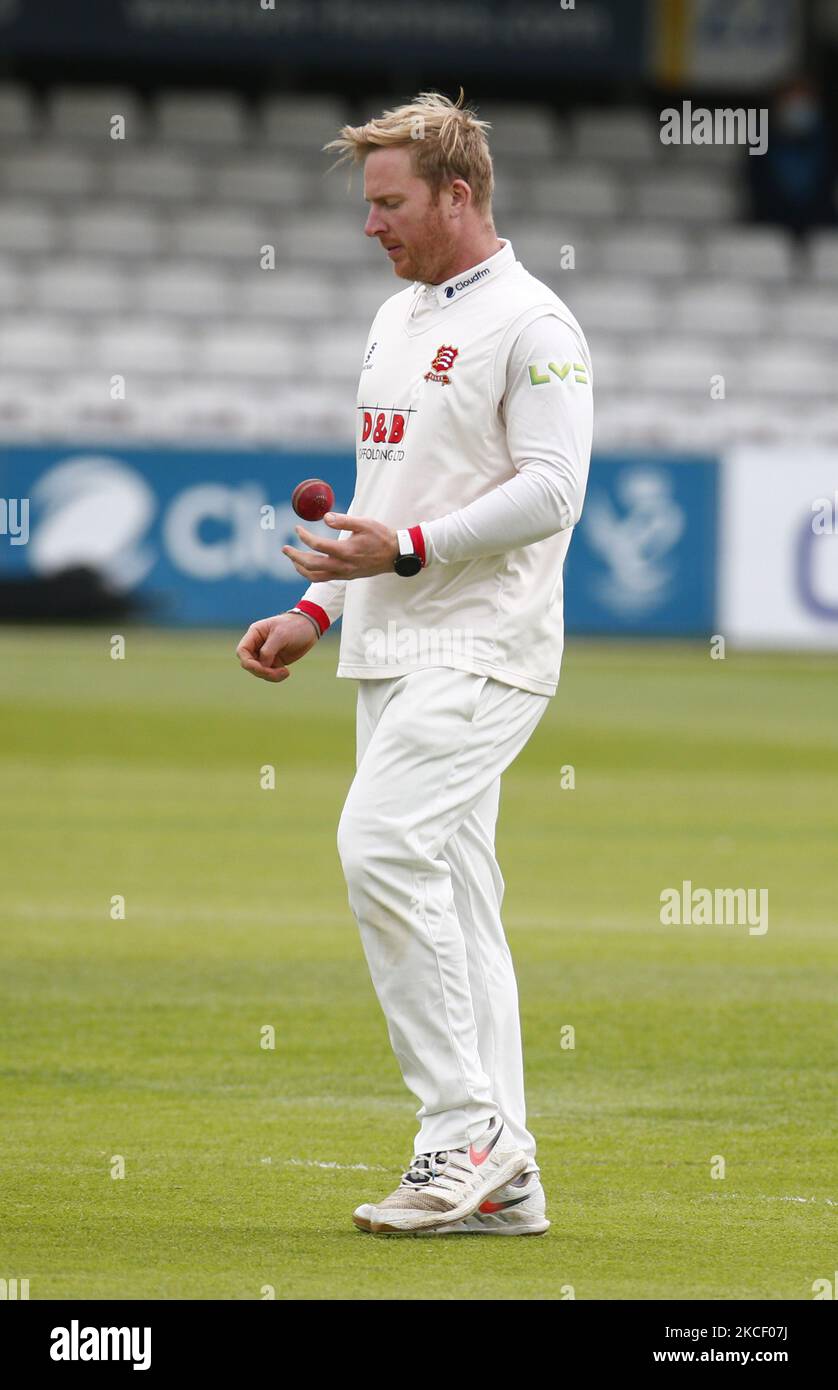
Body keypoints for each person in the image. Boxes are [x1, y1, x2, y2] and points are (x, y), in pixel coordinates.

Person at [236, 88, 593, 1236]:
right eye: (367, 204)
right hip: (390, 643)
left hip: (482, 645)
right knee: (463, 904)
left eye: (390, 203)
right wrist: (315, 606)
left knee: (378, 845)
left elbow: (552, 490)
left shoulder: (536, 325)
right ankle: (512, 1180)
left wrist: (414, 551)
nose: (370, 224)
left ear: (459, 192)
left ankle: (463, 1133)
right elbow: (385, 502)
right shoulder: (396, 320)